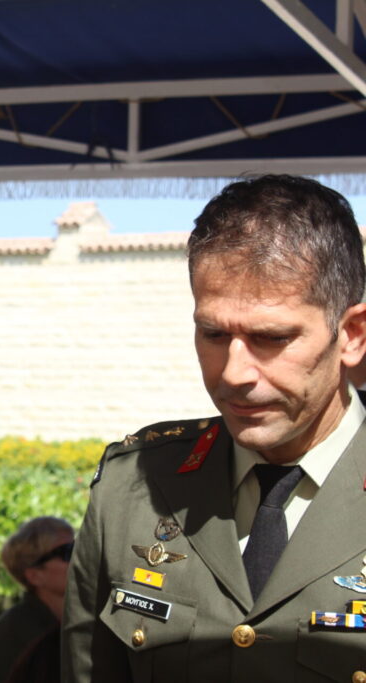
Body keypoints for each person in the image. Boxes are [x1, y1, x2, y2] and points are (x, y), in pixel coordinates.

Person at [62, 174, 366, 682]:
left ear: (352, 335)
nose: (234, 372)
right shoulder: (133, 483)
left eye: (271, 337)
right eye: (214, 333)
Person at [0, 517, 73, 682]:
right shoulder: (16, 630)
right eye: (67, 552)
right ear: (34, 575)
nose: (81, 558)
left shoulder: (84, 615)